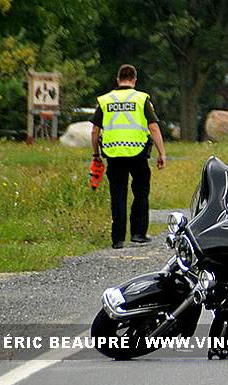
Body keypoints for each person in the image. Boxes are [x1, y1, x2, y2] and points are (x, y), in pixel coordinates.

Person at [90, 64, 166, 249]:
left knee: (118, 195)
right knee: (140, 192)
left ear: (118, 79)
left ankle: (117, 239)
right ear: (134, 80)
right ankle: (138, 234)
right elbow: (153, 127)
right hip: (138, 153)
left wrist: (96, 154)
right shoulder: (142, 99)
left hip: (113, 154)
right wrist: (162, 153)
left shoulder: (105, 100)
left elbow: (94, 130)